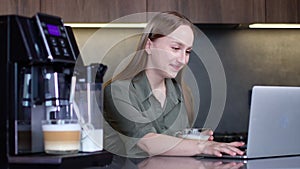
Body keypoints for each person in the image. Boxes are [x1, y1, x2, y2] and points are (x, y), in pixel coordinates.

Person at [103, 11, 244, 157]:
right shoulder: (117, 91)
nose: (183, 60)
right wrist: (201, 146)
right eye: (176, 48)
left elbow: (171, 145)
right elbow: (147, 143)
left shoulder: (183, 93)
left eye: (188, 51)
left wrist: (191, 140)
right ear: (149, 46)